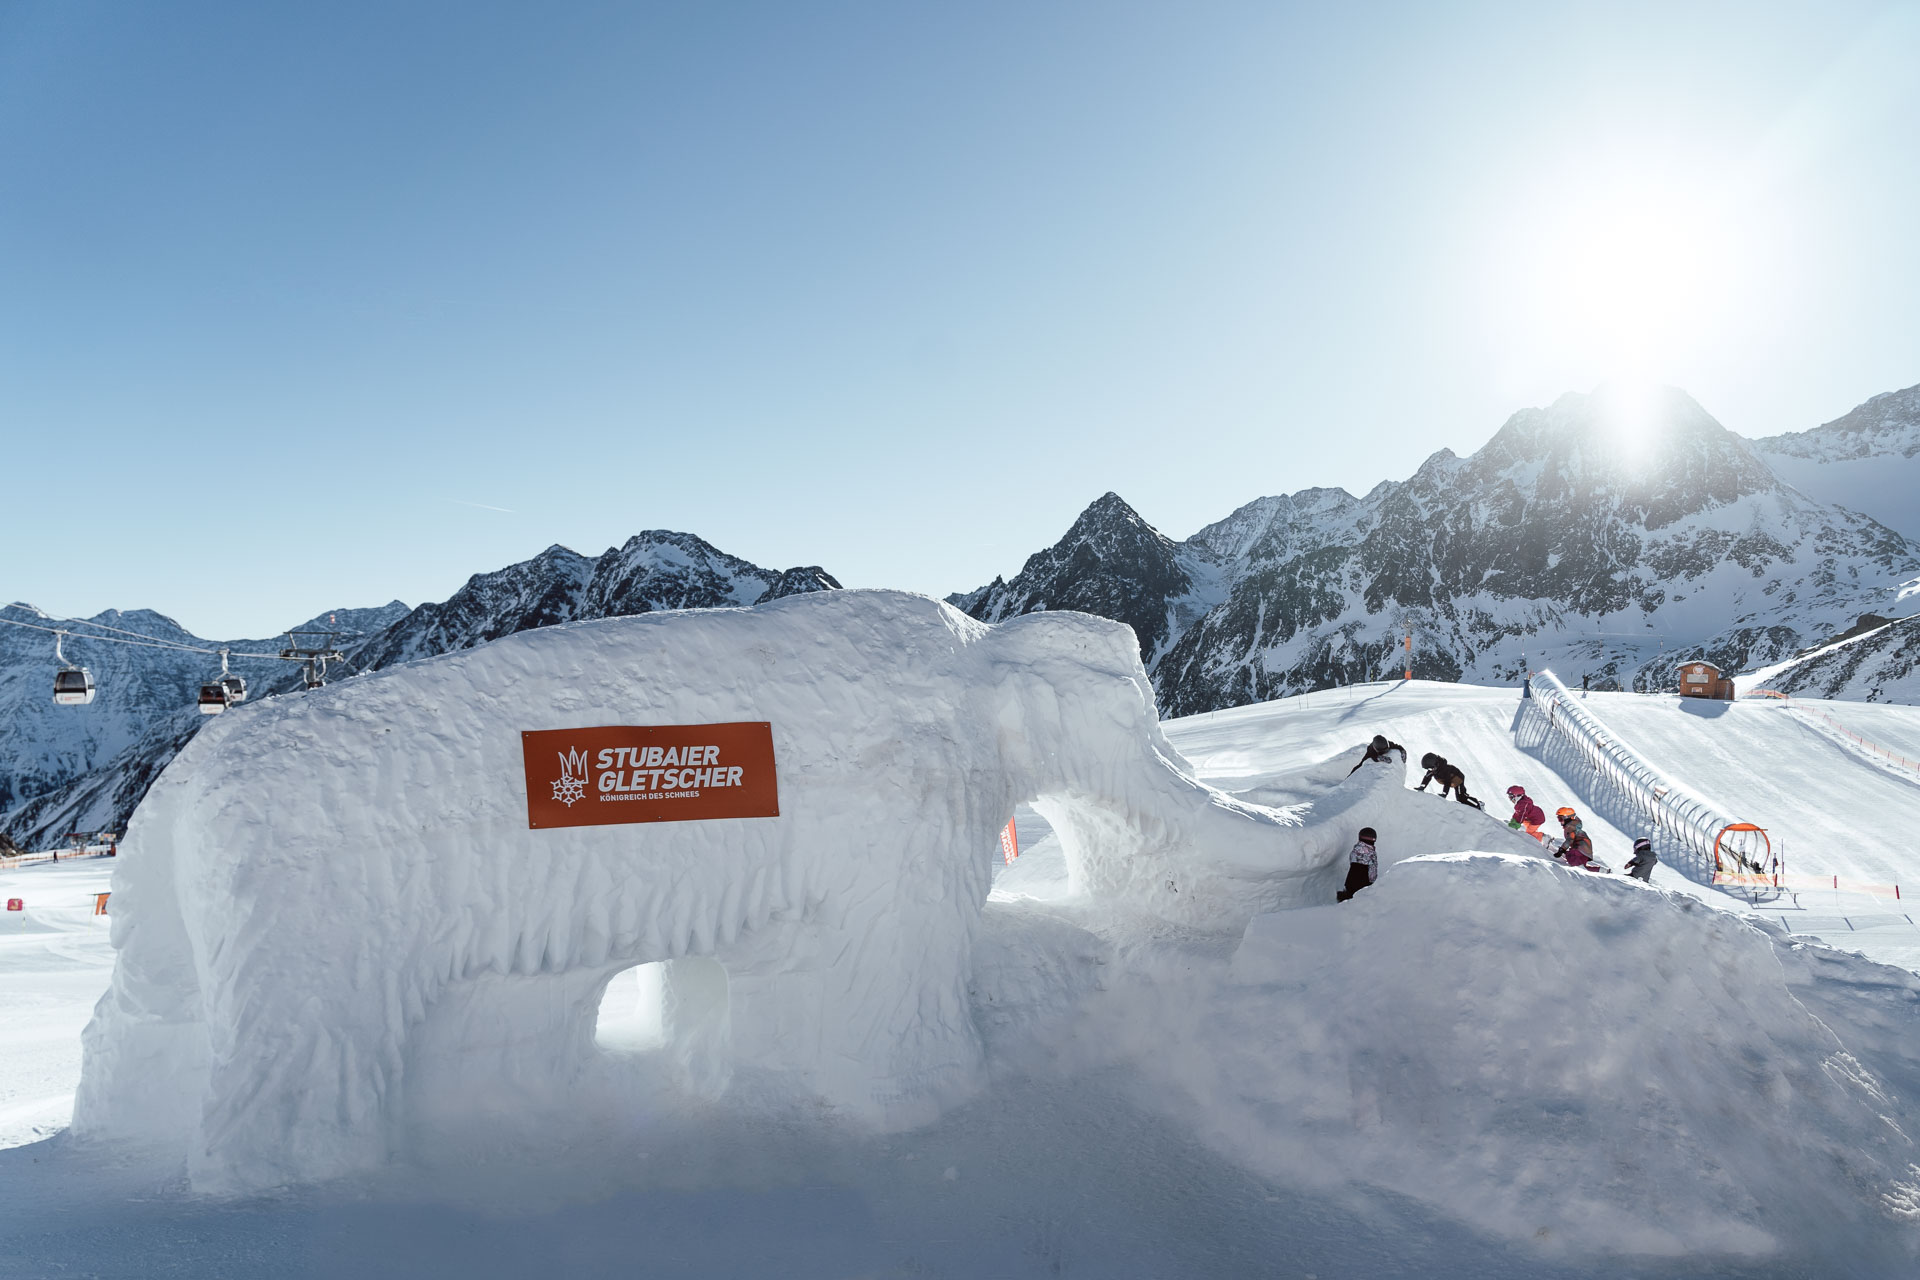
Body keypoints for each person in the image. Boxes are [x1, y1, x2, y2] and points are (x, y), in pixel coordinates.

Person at [1416, 753, 1484, 809]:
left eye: (1431, 768)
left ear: (1435, 764)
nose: (1430, 770)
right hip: (1451, 780)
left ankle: (1478, 804)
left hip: (1457, 780)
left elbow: (1447, 782)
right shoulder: (1434, 770)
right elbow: (1427, 778)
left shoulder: (1444, 770)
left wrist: (1444, 793)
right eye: (1429, 769)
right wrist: (1422, 787)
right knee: (1462, 797)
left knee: (1461, 798)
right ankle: (1476, 803)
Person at [1337, 827, 1379, 902]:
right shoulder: (1372, 854)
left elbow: (1352, 862)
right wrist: (1372, 882)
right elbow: (1372, 873)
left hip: (1350, 883)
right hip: (1363, 885)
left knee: (1347, 901)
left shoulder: (1355, 850)